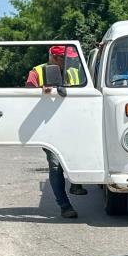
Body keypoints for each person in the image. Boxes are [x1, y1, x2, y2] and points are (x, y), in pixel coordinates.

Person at [25, 45, 87, 219]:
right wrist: (40, 93)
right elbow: (25, 100)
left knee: (80, 156)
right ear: (52, 57)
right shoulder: (36, 72)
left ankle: (76, 183)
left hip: (74, 124)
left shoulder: (75, 72)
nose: (66, 61)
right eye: (62, 58)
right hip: (50, 127)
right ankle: (65, 206)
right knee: (55, 164)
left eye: (68, 58)